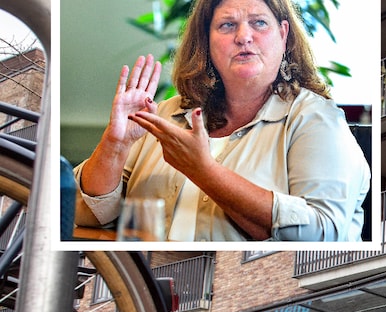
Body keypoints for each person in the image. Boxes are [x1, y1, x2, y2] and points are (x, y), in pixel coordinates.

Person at [73, 0, 369, 242]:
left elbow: (326, 234)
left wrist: (205, 172)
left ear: (283, 34)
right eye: (227, 25)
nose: (243, 36)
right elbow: (82, 213)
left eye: (259, 22)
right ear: (207, 41)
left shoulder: (317, 118)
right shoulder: (163, 113)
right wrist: (115, 145)